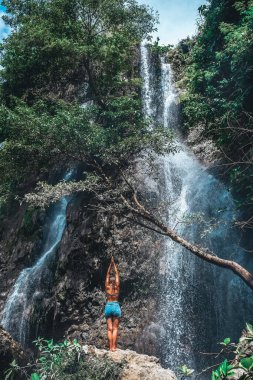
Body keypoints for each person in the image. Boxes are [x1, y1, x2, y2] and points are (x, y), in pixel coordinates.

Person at [104, 256, 121, 351]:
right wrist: (114, 264)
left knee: (109, 329)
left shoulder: (107, 286)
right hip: (115, 305)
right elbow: (116, 274)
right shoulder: (117, 287)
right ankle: (114, 347)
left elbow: (107, 274)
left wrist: (110, 265)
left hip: (108, 306)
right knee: (115, 328)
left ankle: (110, 347)